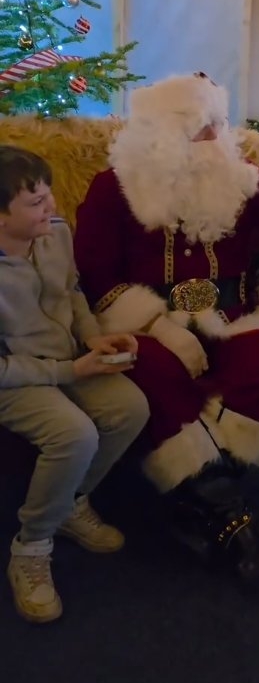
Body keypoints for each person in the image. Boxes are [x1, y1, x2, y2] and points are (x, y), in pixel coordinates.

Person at [73, 72, 259, 582]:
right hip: (151, 323)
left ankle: (202, 487)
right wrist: (158, 325)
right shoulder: (114, 187)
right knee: (148, 368)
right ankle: (228, 512)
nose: (216, 138)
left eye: (220, 124)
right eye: (203, 128)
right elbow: (96, 277)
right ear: (163, 134)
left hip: (234, 318)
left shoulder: (242, 178)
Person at [0, 146, 150, 624]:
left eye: (49, 197)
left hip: (69, 357)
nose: (54, 209)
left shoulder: (55, 235)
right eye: (37, 202)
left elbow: (74, 294)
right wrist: (71, 372)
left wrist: (94, 338)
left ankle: (66, 504)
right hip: (17, 377)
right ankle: (30, 547)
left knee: (131, 408)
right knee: (75, 433)